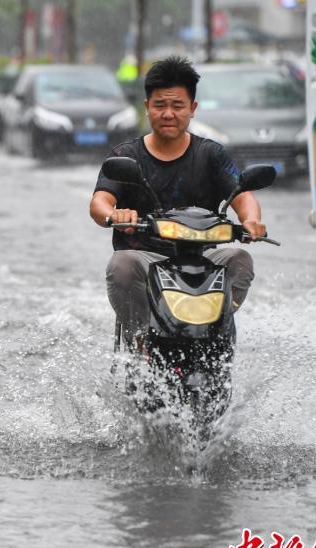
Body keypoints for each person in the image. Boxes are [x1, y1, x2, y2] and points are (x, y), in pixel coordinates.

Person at [89, 55, 267, 343]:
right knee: (121, 266)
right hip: (147, 259)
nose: (168, 113)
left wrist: (252, 220)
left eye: (177, 105)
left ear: (192, 109)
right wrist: (116, 215)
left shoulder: (211, 154)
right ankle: (141, 340)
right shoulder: (126, 156)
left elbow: (242, 196)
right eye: (160, 105)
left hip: (203, 259)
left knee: (240, 259)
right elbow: (99, 203)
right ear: (147, 107)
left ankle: (216, 333)